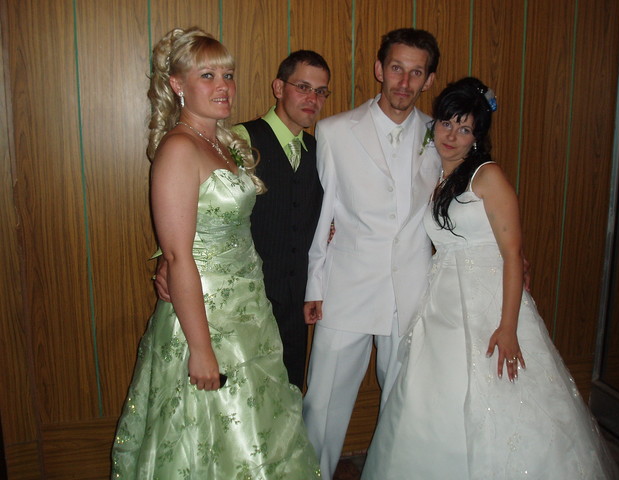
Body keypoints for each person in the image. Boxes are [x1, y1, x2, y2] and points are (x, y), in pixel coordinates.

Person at [361, 77, 619, 480]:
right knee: (433, 396)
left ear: (477, 138)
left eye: (465, 129)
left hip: (489, 304)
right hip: (442, 303)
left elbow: (513, 254)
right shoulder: (437, 175)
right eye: (447, 123)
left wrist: (509, 327)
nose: (452, 135)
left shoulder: (487, 175)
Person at [111, 27, 319, 478]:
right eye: (207, 76)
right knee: (209, 433)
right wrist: (201, 349)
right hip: (204, 315)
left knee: (255, 427)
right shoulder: (178, 148)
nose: (223, 86)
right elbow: (178, 256)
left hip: (248, 307)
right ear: (177, 84)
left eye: (228, 75)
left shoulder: (223, 142)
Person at [302, 28, 441, 479]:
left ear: (429, 80)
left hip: (412, 291)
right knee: (323, 402)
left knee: (404, 404)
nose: (404, 81)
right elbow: (323, 215)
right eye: (397, 68)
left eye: (416, 72)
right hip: (347, 287)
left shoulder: (440, 136)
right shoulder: (334, 131)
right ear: (380, 69)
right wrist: (315, 285)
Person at [232, 50, 330, 390]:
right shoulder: (240, 140)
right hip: (245, 299)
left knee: (289, 390)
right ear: (278, 87)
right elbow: (202, 207)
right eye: (303, 87)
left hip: (295, 301)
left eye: (320, 91)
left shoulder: (321, 151)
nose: (313, 99)